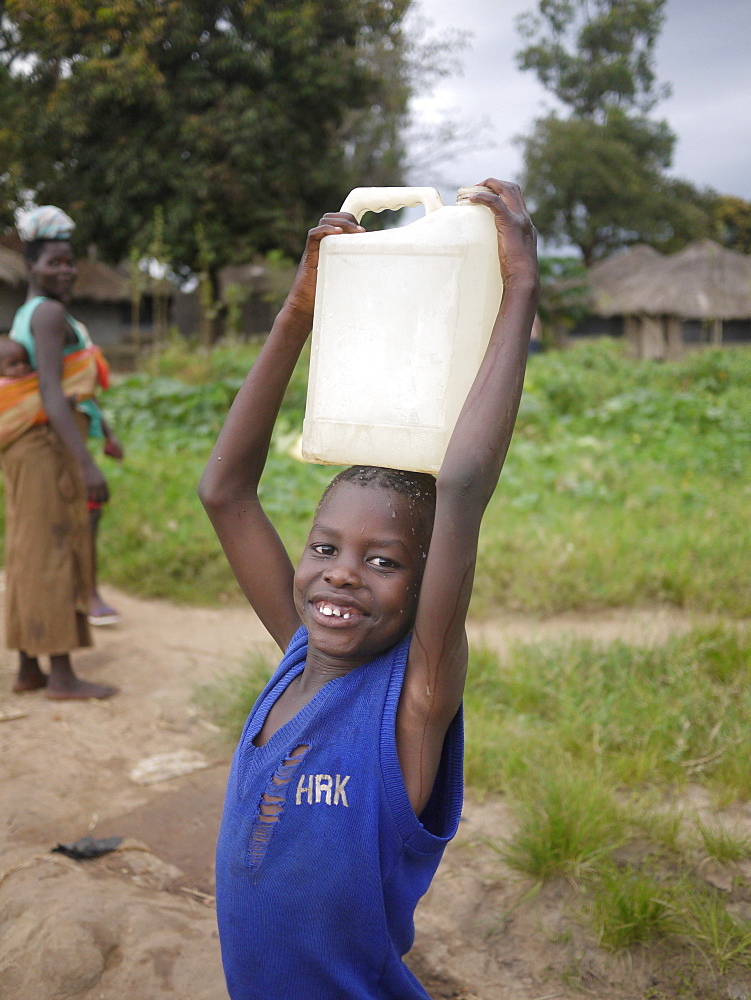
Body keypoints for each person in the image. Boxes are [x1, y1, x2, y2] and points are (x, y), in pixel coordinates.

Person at [199, 178, 539, 999]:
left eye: (383, 561)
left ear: (427, 588)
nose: (343, 572)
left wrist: (519, 289)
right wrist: (297, 314)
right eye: (325, 547)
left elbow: (458, 484)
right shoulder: (295, 649)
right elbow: (224, 492)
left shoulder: (413, 699)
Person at [0, 206, 117, 698]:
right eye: (55, 262)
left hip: (29, 446)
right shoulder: (47, 313)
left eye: (70, 262)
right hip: (45, 446)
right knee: (55, 548)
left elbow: (67, 389)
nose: (65, 270)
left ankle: (30, 666)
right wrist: (87, 465)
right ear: (31, 265)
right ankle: (62, 675)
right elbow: (51, 391)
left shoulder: (31, 312)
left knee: (29, 549)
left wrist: (103, 432)